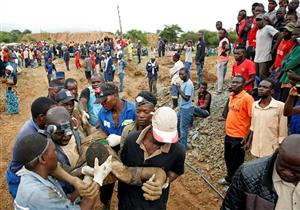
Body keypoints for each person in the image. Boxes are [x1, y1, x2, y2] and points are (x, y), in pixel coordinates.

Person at [119, 106, 186, 210]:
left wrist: (162, 182)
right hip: (127, 201)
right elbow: (123, 167)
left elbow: (176, 171)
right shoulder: (131, 140)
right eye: (160, 135)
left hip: (154, 205)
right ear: (151, 124)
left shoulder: (178, 151)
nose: (164, 140)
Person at [14, 133, 99, 210]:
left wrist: (75, 182)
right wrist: (97, 181)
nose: (56, 154)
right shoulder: (39, 194)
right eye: (54, 151)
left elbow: (63, 201)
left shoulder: (34, 171)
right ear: (42, 159)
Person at [221, 134, 300, 210]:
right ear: (277, 154)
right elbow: (229, 207)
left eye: (296, 171)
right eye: (283, 167)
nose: (287, 173)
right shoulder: (247, 174)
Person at [6, 97, 56, 198]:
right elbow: (43, 164)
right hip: (19, 176)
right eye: (52, 115)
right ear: (41, 117)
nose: (55, 117)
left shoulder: (38, 125)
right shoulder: (31, 135)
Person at [96, 82, 136, 208]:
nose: (102, 103)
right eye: (100, 101)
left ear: (115, 95)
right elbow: (102, 134)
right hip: (110, 155)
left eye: (104, 100)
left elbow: (140, 134)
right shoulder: (102, 114)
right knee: (106, 185)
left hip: (129, 155)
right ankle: (106, 202)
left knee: (127, 186)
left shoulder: (133, 110)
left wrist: (121, 139)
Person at [219, 75, 254, 186]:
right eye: (233, 82)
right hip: (229, 134)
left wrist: (248, 137)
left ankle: (236, 185)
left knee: (237, 162)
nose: (234, 84)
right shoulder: (232, 96)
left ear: (243, 85)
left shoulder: (247, 98)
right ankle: (229, 178)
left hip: (239, 136)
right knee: (228, 158)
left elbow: (253, 118)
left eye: (237, 83)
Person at [243, 79, 287, 158]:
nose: (261, 89)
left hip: (271, 150)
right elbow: (253, 126)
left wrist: (280, 149)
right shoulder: (254, 105)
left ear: (272, 91)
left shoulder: (280, 106)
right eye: (260, 86)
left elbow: (283, 132)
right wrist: (249, 142)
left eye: (265, 87)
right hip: (256, 149)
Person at [254, 13, 281, 80]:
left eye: (259, 20)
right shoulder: (258, 31)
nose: (258, 21)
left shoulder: (268, 28)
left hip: (265, 57)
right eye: (256, 20)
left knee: (263, 76)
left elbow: (280, 35)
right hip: (257, 58)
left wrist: (274, 48)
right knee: (257, 77)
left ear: (263, 20)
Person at [279, 26, 300, 102]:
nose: (294, 36)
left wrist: (285, 63)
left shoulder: (299, 48)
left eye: (297, 35)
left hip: (291, 81)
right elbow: (284, 60)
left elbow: (289, 65)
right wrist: (285, 63)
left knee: (287, 105)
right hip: (286, 79)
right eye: (293, 34)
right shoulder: (295, 46)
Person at [177, 67, 194, 148]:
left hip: (186, 109)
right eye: (179, 74)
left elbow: (187, 98)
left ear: (186, 74)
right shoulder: (184, 83)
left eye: (182, 74)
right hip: (182, 108)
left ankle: (182, 147)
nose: (180, 76)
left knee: (183, 129)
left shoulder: (188, 84)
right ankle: (179, 142)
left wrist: (179, 89)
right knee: (177, 123)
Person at [216, 29, 230, 94]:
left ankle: (219, 90)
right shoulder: (224, 40)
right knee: (222, 76)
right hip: (224, 60)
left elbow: (227, 47)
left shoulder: (224, 41)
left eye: (221, 33)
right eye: (219, 33)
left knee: (220, 76)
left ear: (224, 34)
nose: (219, 34)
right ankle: (220, 88)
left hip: (221, 60)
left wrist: (222, 52)